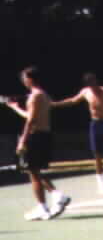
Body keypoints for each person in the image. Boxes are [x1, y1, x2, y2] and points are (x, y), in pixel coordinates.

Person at [4, 66, 72, 221]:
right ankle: (56, 196)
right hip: (44, 135)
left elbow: (31, 120)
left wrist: (23, 140)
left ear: (30, 79)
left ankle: (43, 207)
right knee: (35, 171)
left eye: (24, 78)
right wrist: (15, 106)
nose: (23, 81)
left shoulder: (35, 96)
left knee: (33, 172)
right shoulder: (44, 95)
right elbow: (33, 115)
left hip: (35, 136)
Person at [52, 72, 103, 194]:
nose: (93, 84)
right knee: (97, 156)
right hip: (96, 124)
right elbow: (72, 101)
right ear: (88, 84)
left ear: (96, 81)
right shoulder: (86, 92)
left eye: (94, 81)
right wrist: (55, 104)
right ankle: (101, 185)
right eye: (90, 83)